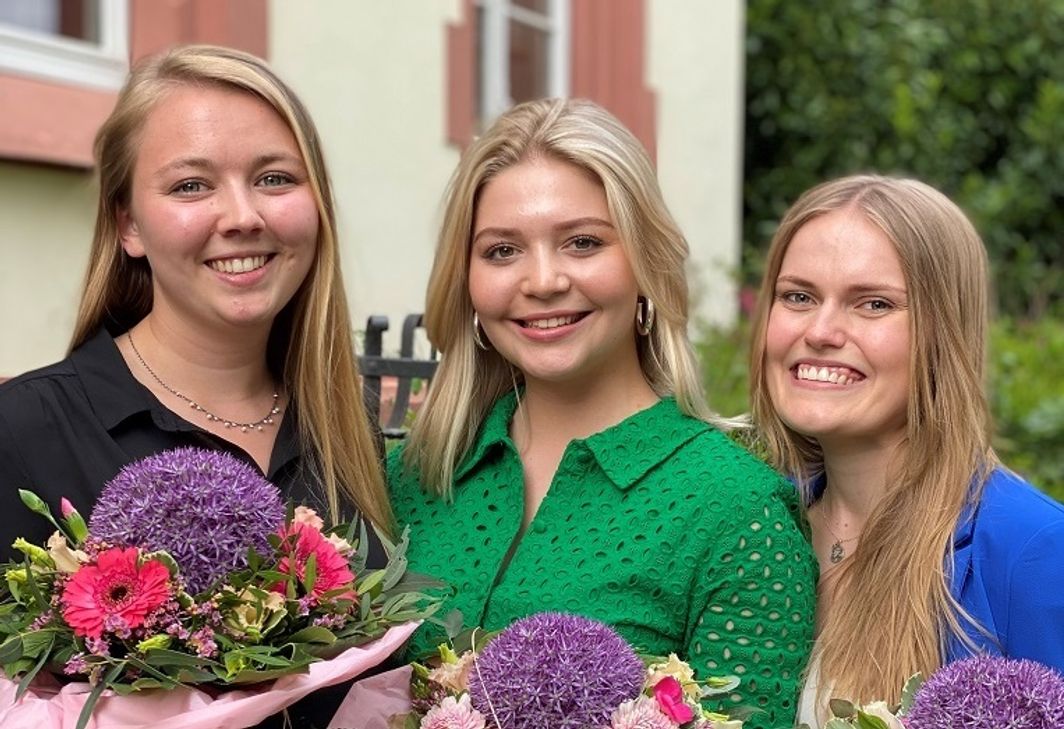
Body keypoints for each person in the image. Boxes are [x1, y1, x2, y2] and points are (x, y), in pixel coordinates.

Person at [389, 98, 817, 729]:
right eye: (502, 251)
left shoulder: (737, 510)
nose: (542, 280)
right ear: (468, 283)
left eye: (582, 242)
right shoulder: (406, 478)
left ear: (645, 263)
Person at [0, 45, 391, 728]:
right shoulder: (24, 430)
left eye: (274, 178)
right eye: (191, 185)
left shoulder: (347, 434)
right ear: (128, 225)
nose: (242, 215)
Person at [747, 174, 1064, 726]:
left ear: (945, 332)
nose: (821, 330)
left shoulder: (1034, 551)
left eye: (872, 304)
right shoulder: (753, 525)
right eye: (798, 296)